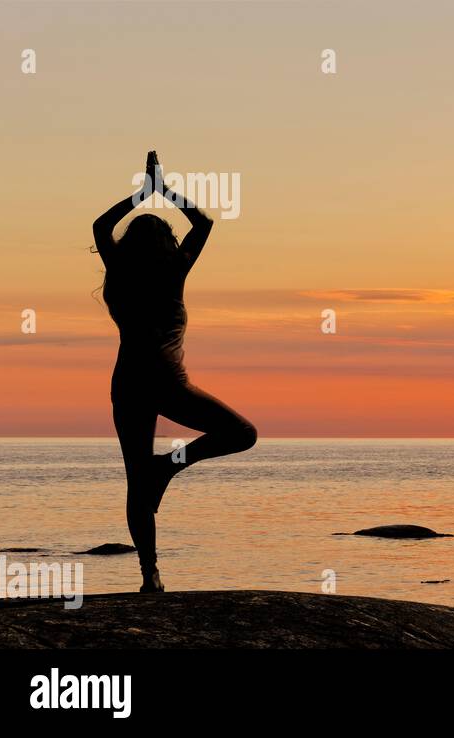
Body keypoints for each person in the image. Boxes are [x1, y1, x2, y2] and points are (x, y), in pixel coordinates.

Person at [92, 152, 257, 593]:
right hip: (167, 384)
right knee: (242, 433)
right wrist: (163, 191)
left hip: (127, 384)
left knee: (136, 480)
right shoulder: (173, 271)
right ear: (167, 243)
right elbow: (203, 225)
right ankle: (168, 467)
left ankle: (151, 575)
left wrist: (139, 196)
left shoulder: (120, 271)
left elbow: (98, 228)